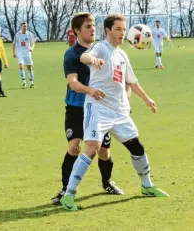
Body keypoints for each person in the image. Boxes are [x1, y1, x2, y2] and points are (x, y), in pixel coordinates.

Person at [61, 14, 169, 211]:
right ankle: (68, 195)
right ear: (108, 31)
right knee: (92, 148)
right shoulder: (101, 47)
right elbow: (84, 56)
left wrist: (146, 99)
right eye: (118, 29)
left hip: (119, 112)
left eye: (123, 29)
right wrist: (93, 59)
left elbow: (132, 82)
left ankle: (147, 186)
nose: (122, 33)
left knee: (137, 148)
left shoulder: (122, 55)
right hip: (98, 108)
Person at [51, 12, 124, 205]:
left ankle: (107, 182)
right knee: (74, 147)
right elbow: (73, 83)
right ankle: (66, 189)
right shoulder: (72, 54)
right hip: (76, 107)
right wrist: (90, 90)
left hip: (101, 109)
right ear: (77, 31)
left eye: (93, 25)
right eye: (87, 26)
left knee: (103, 152)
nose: (92, 29)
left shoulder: (102, 49)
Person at [13, 22, 35, 89]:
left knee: (29, 67)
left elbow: (33, 43)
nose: (25, 27)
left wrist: (31, 48)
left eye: (26, 26)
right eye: (23, 26)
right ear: (21, 27)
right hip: (19, 52)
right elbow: (14, 44)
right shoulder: (17, 34)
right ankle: (24, 82)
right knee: (21, 67)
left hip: (27, 53)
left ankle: (31, 83)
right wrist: (13, 53)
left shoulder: (30, 34)